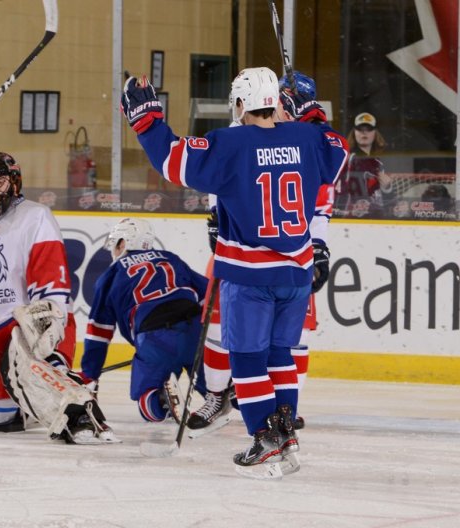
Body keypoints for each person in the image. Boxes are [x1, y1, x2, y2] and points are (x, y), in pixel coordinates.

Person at [120, 68, 348, 477]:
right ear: (277, 102)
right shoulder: (309, 137)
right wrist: (309, 111)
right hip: (296, 275)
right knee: (281, 355)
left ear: (241, 103)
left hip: (249, 277)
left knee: (246, 360)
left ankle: (264, 436)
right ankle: (285, 431)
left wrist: (146, 117)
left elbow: (171, 159)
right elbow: (337, 150)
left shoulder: (230, 143)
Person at [187, 71, 333, 435]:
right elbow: (223, 175)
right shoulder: (248, 132)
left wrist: (317, 243)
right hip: (243, 248)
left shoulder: (308, 141)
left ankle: (285, 410)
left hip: (294, 252)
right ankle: (218, 395)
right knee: (222, 323)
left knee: (292, 337)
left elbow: (323, 199)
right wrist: (216, 216)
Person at [0, 150, 115, 445]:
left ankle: (82, 415)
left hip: (32, 321)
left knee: (45, 373)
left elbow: (49, 276)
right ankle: (28, 408)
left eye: (1, 182)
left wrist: (44, 326)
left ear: (15, 181)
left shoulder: (36, 216)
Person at [79, 218, 209, 423]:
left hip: (154, 335)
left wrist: (90, 374)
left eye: (115, 244)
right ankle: (240, 395)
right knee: (217, 388)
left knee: (147, 405)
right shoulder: (171, 258)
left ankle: (160, 398)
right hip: (193, 328)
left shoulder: (111, 275)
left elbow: (99, 332)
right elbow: (210, 294)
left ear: (123, 243)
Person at [334, 112, 394, 217]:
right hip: (351, 218)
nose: (364, 133)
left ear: (375, 133)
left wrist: (387, 188)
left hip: (371, 218)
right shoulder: (349, 158)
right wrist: (345, 213)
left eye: (368, 129)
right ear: (354, 132)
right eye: (360, 129)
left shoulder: (378, 162)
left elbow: (382, 199)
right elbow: (345, 192)